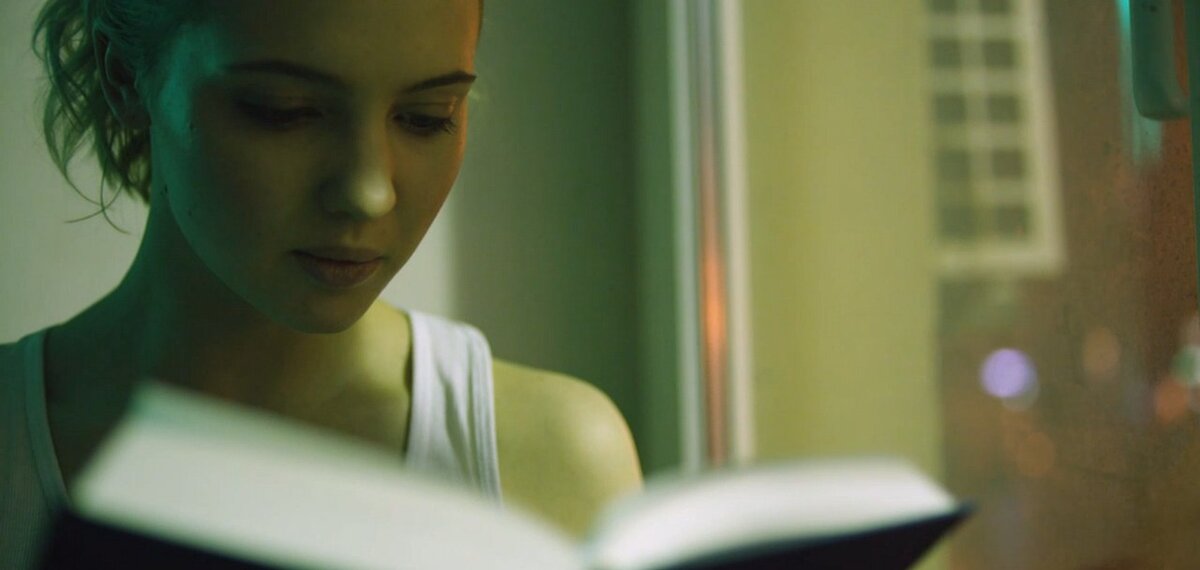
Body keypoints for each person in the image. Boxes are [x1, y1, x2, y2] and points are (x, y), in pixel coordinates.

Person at [0, 0, 644, 567]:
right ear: (124, 75)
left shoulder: (556, 461)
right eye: (286, 111)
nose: (368, 192)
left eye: (427, 117)